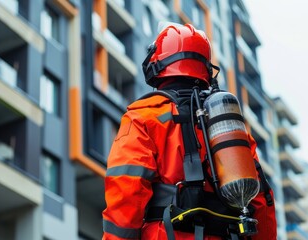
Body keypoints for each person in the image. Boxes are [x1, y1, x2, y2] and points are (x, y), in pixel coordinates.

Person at [102, 23, 277, 240]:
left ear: (158, 63)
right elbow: (262, 199)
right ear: (206, 68)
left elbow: (126, 194)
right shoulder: (228, 125)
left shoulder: (143, 116)